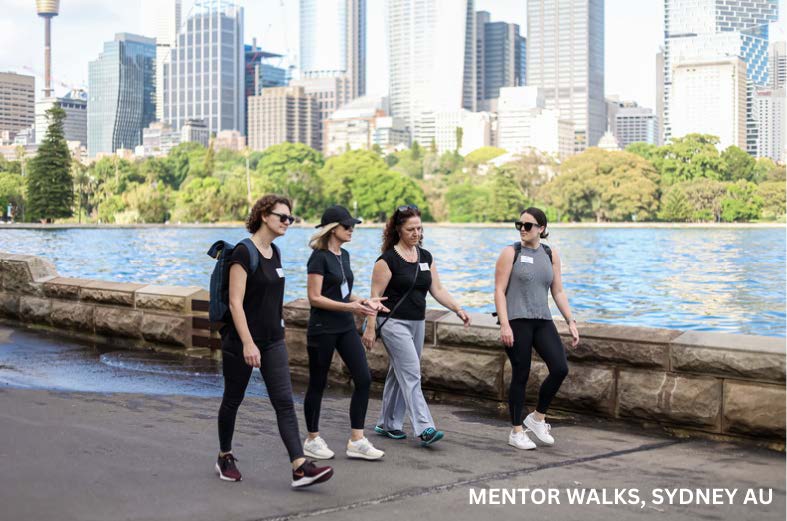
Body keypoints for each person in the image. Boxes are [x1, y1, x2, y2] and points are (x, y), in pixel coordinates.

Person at [215, 194, 333, 488]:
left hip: (273, 341)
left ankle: (299, 467)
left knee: (283, 402)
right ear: (264, 215)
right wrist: (247, 343)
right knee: (233, 399)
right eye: (283, 217)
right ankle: (224, 456)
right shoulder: (244, 252)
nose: (287, 223)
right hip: (242, 341)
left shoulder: (276, 252)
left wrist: (276, 332)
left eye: (290, 219)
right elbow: (234, 302)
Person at [361, 205, 470, 447]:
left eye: (419, 228)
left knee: (398, 373)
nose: (416, 233)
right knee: (411, 373)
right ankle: (425, 427)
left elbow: (437, 289)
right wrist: (370, 328)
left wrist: (458, 308)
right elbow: (374, 297)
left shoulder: (425, 257)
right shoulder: (386, 261)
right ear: (398, 230)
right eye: (411, 229)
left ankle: (388, 424)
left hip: (417, 323)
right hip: (392, 323)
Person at [303, 205, 389, 461]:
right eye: (347, 226)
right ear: (332, 229)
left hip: (344, 326)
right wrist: (350, 307)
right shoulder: (318, 257)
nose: (352, 229)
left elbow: (341, 292)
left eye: (353, 225)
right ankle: (312, 439)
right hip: (322, 328)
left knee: (363, 378)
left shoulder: (345, 255)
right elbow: (315, 298)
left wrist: (362, 302)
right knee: (318, 383)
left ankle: (357, 440)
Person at [493, 207, 579, 451]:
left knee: (560, 367)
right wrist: (505, 324)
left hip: (542, 319)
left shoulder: (550, 253)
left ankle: (538, 418)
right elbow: (499, 290)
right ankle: (517, 431)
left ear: (541, 229)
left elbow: (558, 291)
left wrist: (571, 321)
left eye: (528, 225)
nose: (522, 228)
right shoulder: (511, 252)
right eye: (519, 224)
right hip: (517, 320)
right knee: (522, 372)